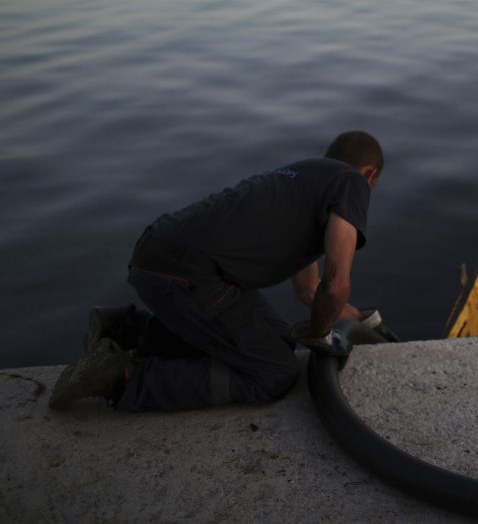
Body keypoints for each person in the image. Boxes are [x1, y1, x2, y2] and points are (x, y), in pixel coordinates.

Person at [49, 130, 387, 411]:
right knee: (276, 373)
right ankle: (122, 379)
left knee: (281, 341)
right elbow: (336, 282)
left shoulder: (306, 177)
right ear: (370, 175)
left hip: (161, 253)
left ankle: (128, 330)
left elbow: (309, 290)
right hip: (187, 275)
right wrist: (321, 334)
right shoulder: (350, 183)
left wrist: (354, 321)